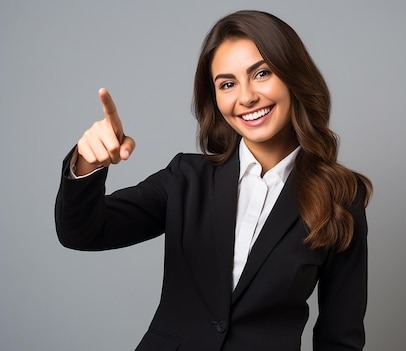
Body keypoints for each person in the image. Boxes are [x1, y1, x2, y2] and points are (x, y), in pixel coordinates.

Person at [55, 10, 372, 351]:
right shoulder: (186, 179)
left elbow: (340, 338)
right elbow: (82, 233)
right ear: (215, 98)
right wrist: (87, 162)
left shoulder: (339, 199)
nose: (246, 97)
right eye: (227, 84)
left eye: (262, 73)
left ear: (293, 75)